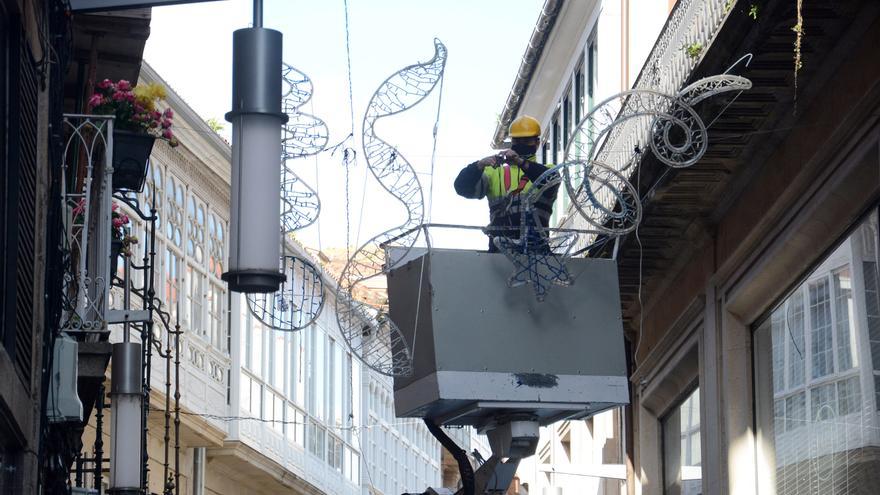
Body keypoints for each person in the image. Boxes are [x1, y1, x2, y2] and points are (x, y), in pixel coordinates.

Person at [454, 115, 558, 252]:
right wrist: (478, 165)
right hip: (499, 251)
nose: (521, 144)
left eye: (526, 141)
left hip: (535, 250)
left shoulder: (548, 170)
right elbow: (462, 188)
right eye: (517, 140)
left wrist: (520, 162)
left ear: (537, 143)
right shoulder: (494, 172)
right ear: (512, 141)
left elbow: (549, 182)